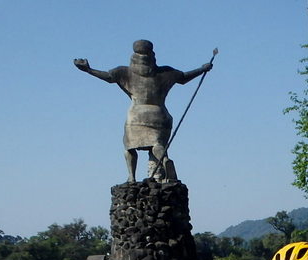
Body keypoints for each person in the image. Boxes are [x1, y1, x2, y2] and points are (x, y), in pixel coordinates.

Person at [74, 40, 213, 182]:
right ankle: (164, 160)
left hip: (137, 116)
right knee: (157, 144)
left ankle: (131, 177)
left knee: (130, 147)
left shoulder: (124, 72)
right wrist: (202, 69)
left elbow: (108, 77)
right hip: (160, 115)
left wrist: (89, 70)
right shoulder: (166, 72)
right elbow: (183, 78)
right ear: (152, 54)